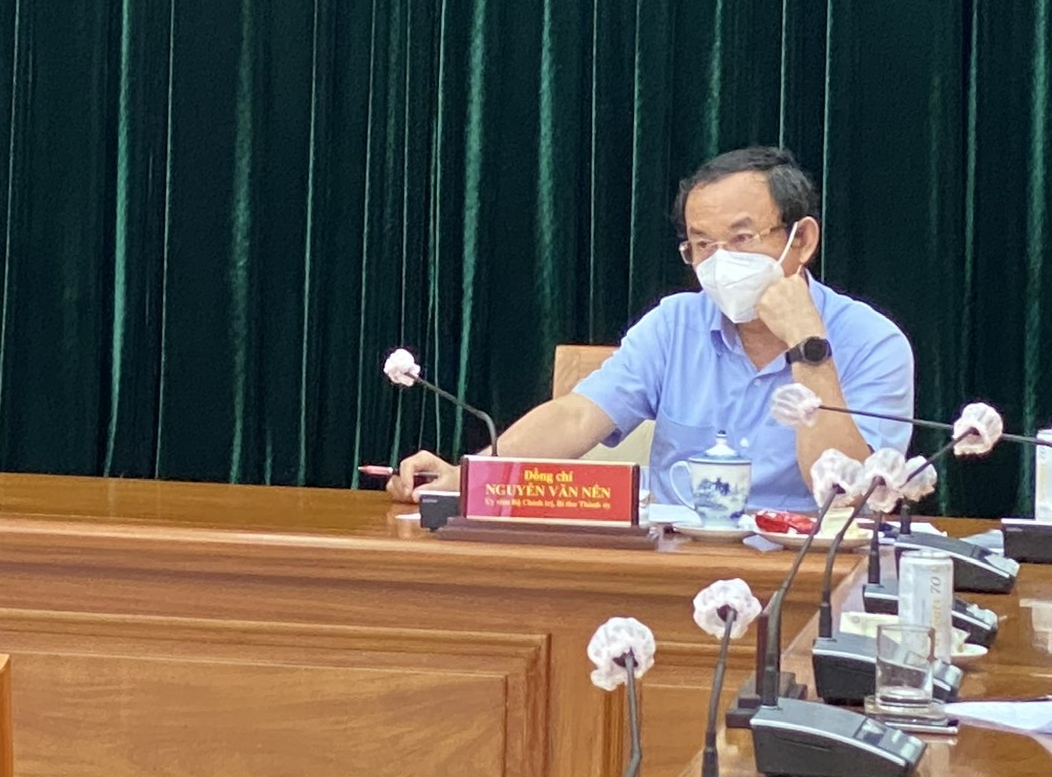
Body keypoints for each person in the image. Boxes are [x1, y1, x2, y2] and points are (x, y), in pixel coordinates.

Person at [388, 146, 915, 514]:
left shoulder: (875, 343)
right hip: (674, 567)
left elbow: (852, 495)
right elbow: (577, 416)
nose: (720, 261)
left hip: (805, 577)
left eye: (742, 238)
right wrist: (469, 478)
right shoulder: (675, 324)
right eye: (702, 244)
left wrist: (808, 347)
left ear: (801, 240)